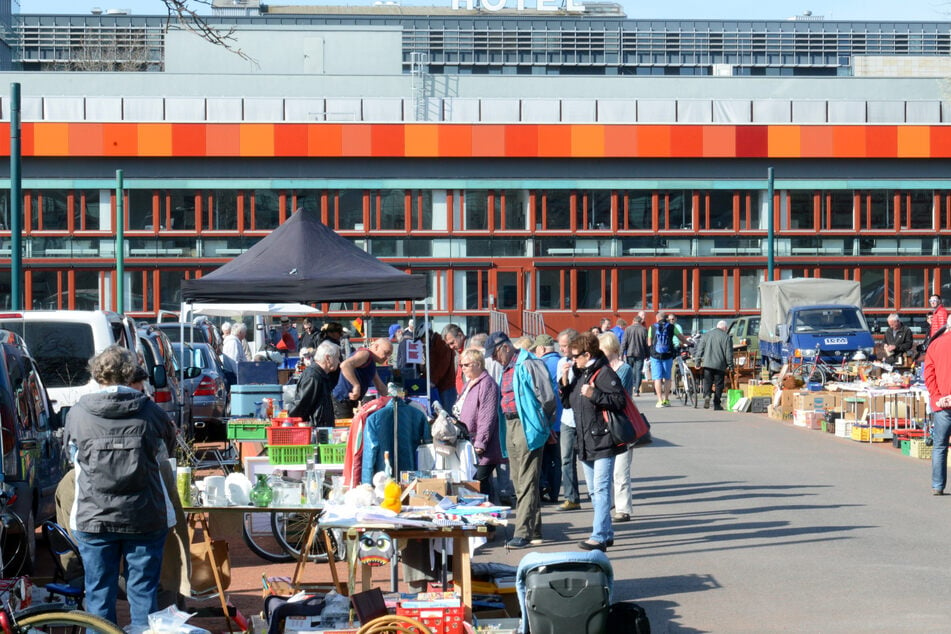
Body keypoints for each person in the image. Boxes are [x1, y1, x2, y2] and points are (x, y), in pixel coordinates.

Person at [64, 345, 176, 628]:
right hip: (145, 515)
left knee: (98, 595)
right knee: (143, 593)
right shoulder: (149, 411)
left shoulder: (78, 413)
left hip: (94, 515)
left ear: (97, 374)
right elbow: (166, 452)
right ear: (130, 374)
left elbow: (71, 455)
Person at [483, 331, 556, 549]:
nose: (494, 359)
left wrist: (541, 423)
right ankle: (534, 530)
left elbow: (548, 398)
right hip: (511, 425)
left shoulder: (528, 363)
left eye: (495, 354)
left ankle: (522, 532)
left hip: (527, 426)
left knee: (526, 481)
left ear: (505, 347)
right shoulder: (507, 367)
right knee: (519, 480)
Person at [560, 331, 626, 551]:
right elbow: (569, 404)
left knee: (601, 488)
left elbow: (619, 401)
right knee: (594, 492)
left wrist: (594, 394)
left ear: (587, 354)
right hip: (586, 440)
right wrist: (564, 383)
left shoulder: (603, 373)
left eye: (575, 355)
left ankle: (598, 535)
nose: (572, 359)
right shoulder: (581, 373)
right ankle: (606, 533)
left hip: (603, 439)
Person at [454, 348, 504, 502]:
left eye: (466, 365)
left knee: (477, 482)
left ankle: (487, 518)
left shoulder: (487, 384)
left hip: (481, 444)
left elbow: (486, 416)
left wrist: (481, 442)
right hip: (468, 440)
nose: (462, 368)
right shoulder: (469, 383)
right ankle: (489, 519)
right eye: (461, 365)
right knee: (482, 484)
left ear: (477, 364)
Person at [597, 331, 635, 522]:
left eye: (601, 349)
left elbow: (620, 395)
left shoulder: (624, 369)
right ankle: (606, 503)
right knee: (604, 470)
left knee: (621, 469)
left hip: (620, 423)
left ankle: (623, 508)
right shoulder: (599, 368)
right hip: (601, 423)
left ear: (610, 348)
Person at [332, 337, 393, 418]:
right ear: (376, 347)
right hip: (342, 400)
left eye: (389, 354)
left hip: (351, 402)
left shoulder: (371, 362)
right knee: (344, 430)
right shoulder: (365, 354)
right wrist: (356, 385)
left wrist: (393, 400)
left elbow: (380, 386)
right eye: (386, 352)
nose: (387, 357)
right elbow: (345, 365)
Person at [534, 333, 562, 505]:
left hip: (547, 420)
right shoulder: (564, 362)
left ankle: (544, 488)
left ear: (542, 349)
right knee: (559, 460)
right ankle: (555, 494)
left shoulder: (540, 365)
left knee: (544, 459)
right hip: (564, 420)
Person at [556, 328, 582, 511]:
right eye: (561, 346)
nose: (562, 349)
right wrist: (565, 374)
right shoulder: (561, 363)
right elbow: (563, 393)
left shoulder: (583, 362)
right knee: (566, 458)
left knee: (589, 458)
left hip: (584, 418)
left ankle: (599, 495)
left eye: (565, 346)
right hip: (567, 418)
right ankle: (571, 498)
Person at [924, 327, 951, 494]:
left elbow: (929, 375)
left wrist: (938, 395)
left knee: (940, 446)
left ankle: (937, 485)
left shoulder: (935, 345)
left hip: (942, 403)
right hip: (943, 399)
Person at [288, 341, 341, 426]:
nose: (338, 362)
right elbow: (300, 407)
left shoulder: (321, 375)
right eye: (337, 357)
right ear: (327, 358)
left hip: (321, 428)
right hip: (315, 429)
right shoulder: (313, 377)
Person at [648, 311, 684, 408]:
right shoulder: (672, 326)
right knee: (667, 378)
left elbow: (649, 342)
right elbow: (681, 338)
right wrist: (688, 343)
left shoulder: (652, 327)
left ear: (657, 318)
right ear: (666, 318)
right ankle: (667, 399)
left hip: (655, 355)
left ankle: (659, 400)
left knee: (657, 378)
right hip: (668, 355)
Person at [695, 320, 733, 410]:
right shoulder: (727, 337)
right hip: (720, 365)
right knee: (719, 384)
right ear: (725, 328)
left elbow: (700, 349)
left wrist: (697, 361)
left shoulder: (706, 335)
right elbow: (729, 354)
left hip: (707, 364)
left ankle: (707, 395)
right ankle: (716, 404)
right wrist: (731, 366)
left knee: (707, 381)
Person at [621, 315, 649, 396]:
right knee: (638, 371)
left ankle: (630, 388)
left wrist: (621, 354)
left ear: (633, 321)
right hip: (640, 353)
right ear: (640, 322)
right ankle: (637, 390)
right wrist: (648, 354)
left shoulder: (628, 329)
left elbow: (624, 342)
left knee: (630, 370)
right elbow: (645, 344)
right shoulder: (643, 329)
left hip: (630, 353)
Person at [221, 321, 247, 386]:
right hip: (233, 375)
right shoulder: (233, 342)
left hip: (233, 374)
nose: (245, 334)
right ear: (240, 332)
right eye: (245, 332)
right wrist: (239, 375)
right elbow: (234, 360)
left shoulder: (234, 341)